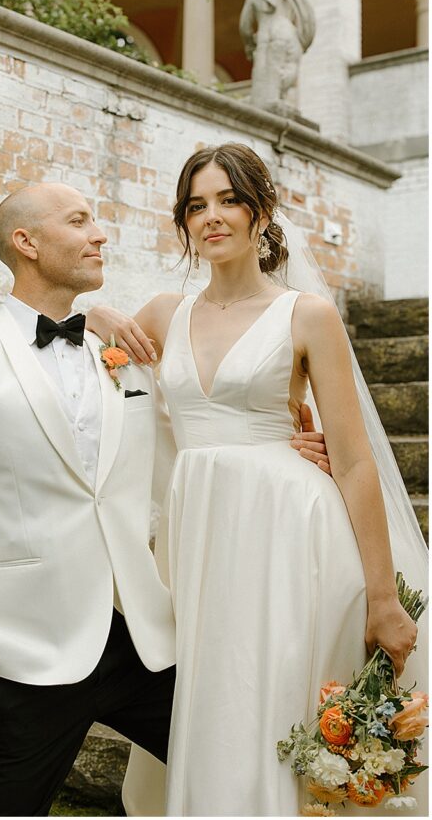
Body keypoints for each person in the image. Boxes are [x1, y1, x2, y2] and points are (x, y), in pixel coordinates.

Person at [0, 181, 331, 816]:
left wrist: (294, 454)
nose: (100, 233)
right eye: (79, 221)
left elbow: (199, 443)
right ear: (27, 243)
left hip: (144, 642)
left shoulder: (120, 358)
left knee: (244, 782)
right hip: (21, 657)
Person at [87, 142, 427, 815]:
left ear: (262, 211)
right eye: (195, 205)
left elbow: (355, 459)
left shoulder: (307, 315)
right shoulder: (160, 315)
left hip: (291, 532)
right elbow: (73, 365)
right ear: (183, 223)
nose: (211, 217)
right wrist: (94, 315)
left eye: (229, 199)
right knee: (215, 699)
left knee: (279, 699)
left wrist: (384, 598)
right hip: (200, 541)